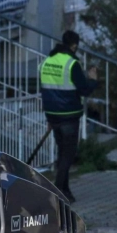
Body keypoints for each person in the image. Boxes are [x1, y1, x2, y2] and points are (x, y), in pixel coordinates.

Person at [39, 30, 93, 201]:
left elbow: (44, 90)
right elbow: (85, 90)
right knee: (68, 154)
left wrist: (48, 117)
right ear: (74, 45)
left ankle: (66, 191)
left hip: (53, 115)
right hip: (68, 115)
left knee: (62, 152)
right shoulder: (72, 63)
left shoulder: (47, 61)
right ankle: (57, 191)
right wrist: (93, 79)